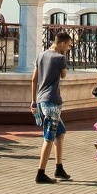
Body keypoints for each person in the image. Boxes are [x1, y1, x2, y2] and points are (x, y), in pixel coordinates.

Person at [30, 30, 74, 184]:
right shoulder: (60, 58)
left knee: (60, 132)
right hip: (52, 101)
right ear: (61, 43)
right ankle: (40, 173)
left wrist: (33, 101)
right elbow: (63, 75)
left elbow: (34, 79)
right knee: (49, 137)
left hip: (41, 100)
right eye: (68, 46)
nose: (68, 49)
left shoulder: (40, 55)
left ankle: (59, 167)